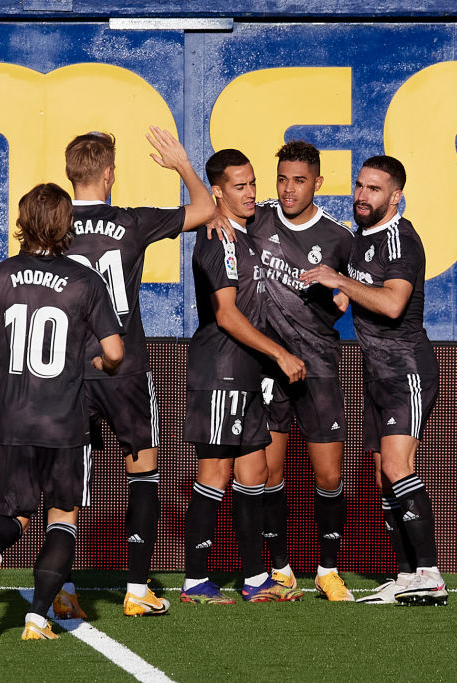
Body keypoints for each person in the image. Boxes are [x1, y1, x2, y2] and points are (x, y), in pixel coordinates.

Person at [54, 127, 226, 618]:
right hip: (125, 367)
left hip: (68, 370)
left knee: (68, 481)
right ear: (109, 173)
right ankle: (135, 590)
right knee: (144, 469)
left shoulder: (55, 224)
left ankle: (63, 591)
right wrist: (183, 166)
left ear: (71, 174)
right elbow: (205, 209)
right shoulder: (130, 222)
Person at [0, 183, 125, 640]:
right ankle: (36, 617)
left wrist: (11, 350)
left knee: (14, 513)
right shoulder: (84, 281)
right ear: (64, 224)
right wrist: (90, 360)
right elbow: (114, 353)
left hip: (13, 417)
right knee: (62, 516)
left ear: (22, 221)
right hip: (63, 420)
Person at [301, 155, 447, 606]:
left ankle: (430, 573)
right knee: (386, 477)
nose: (362, 195)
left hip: (407, 369)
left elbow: (391, 305)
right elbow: (348, 301)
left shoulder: (400, 239)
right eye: (360, 186)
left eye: (374, 189)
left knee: (399, 466)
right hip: (376, 373)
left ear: (395, 196)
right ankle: (406, 576)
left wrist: (338, 278)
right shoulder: (359, 238)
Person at [180, 148, 306, 605]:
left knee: (254, 472)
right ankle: (195, 580)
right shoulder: (217, 238)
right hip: (221, 370)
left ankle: (256, 579)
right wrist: (281, 354)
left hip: (250, 373)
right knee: (215, 472)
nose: (252, 192)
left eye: (254, 183)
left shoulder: (246, 234)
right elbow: (228, 316)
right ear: (218, 192)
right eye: (240, 186)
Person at [249, 141, 355, 600]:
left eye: (298, 180)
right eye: (282, 179)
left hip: (319, 366)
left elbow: (355, 291)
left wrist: (343, 294)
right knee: (270, 474)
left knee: (329, 477)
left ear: (317, 183)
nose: (288, 189)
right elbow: (218, 216)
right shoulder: (258, 221)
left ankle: (327, 569)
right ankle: (281, 568)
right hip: (268, 366)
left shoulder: (339, 238)